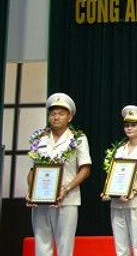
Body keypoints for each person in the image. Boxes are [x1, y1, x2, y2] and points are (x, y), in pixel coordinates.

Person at [27, 92, 92, 256]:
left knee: (64, 246)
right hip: (40, 200)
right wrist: (30, 191)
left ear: (69, 117)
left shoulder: (78, 138)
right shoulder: (39, 139)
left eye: (61, 114)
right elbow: (33, 170)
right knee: (41, 245)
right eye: (53, 113)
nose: (56, 117)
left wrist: (67, 188)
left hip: (67, 200)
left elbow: (85, 169)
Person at [102, 105, 137, 256]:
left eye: (133, 125)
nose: (129, 128)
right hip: (117, 204)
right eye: (127, 125)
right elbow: (112, 176)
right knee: (121, 249)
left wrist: (135, 191)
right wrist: (107, 191)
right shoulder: (118, 150)